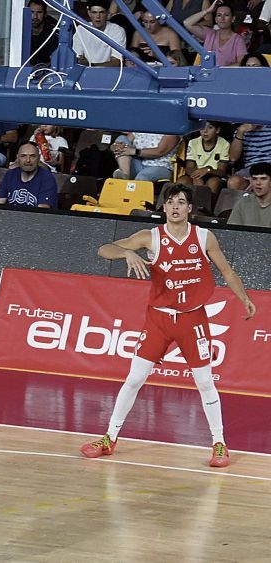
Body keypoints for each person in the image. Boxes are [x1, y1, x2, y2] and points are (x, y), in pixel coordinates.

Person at [80, 184, 257, 467]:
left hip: (192, 318)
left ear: (190, 208)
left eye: (181, 202)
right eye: (171, 202)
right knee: (134, 378)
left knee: (204, 382)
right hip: (159, 319)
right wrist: (126, 253)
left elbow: (226, 270)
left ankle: (220, 444)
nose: (175, 206)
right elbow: (104, 249)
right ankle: (109, 438)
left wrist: (244, 299)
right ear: (164, 207)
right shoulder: (150, 237)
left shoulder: (203, 237)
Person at [0, 142, 58, 207]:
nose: (28, 160)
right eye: (23, 156)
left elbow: (43, 212)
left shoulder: (47, 178)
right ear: (17, 158)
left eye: (32, 156)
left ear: (39, 158)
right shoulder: (10, 174)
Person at [184, 2, 247, 66]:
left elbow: (241, 63)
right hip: (206, 74)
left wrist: (219, 71)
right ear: (216, 19)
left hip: (226, 75)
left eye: (226, 15)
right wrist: (208, 10)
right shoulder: (209, 34)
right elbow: (187, 23)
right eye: (219, 15)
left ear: (233, 19)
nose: (222, 18)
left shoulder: (238, 40)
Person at [178, 121, 230, 194]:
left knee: (213, 182)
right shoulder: (193, 142)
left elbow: (222, 172)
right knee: (182, 180)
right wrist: (196, 176)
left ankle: (206, 205)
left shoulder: (224, 144)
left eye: (210, 128)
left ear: (217, 130)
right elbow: (189, 168)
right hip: (196, 173)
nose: (205, 131)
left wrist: (208, 170)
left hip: (214, 175)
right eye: (202, 127)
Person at [73, 0, 126, 66]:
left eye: (101, 12)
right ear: (89, 13)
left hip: (110, 73)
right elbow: (78, 57)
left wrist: (91, 65)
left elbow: (116, 62)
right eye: (94, 12)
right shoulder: (81, 29)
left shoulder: (117, 31)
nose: (98, 16)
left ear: (107, 13)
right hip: (86, 72)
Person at [111, 132, 179, 182]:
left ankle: (135, 200)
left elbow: (160, 151)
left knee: (142, 177)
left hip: (160, 166)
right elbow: (123, 143)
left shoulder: (171, 130)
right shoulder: (142, 127)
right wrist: (115, 147)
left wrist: (134, 151)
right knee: (121, 138)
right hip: (138, 164)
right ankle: (124, 174)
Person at [227, 161, 271, 227]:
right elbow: (232, 231)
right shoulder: (243, 203)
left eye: (263, 179)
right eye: (254, 179)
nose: (258, 183)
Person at [27, 0, 59, 67]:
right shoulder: (18, 32)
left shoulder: (54, 33)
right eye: (32, 12)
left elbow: (57, 59)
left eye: (39, 12)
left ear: (45, 14)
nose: (35, 16)